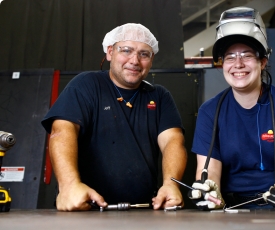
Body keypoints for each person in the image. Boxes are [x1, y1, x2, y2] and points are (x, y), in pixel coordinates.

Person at [41, 23, 187, 211]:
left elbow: (173, 141)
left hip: (143, 210)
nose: (134, 60)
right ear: (110, 52)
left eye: (144, 54)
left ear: (151, 60)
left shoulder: (159, 96)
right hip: (86, 207)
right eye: (126, 50)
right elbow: (62, 131)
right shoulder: (86, 85)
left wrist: (171, 184)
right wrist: (68, 186)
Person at [189, 7, 275, 211]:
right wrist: (209, 191)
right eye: (230, 57)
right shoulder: (210, 111)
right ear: (222, 64)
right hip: (232, 210)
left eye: (247, 55)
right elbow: (207, 169)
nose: (238, 64)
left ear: (263, 62)